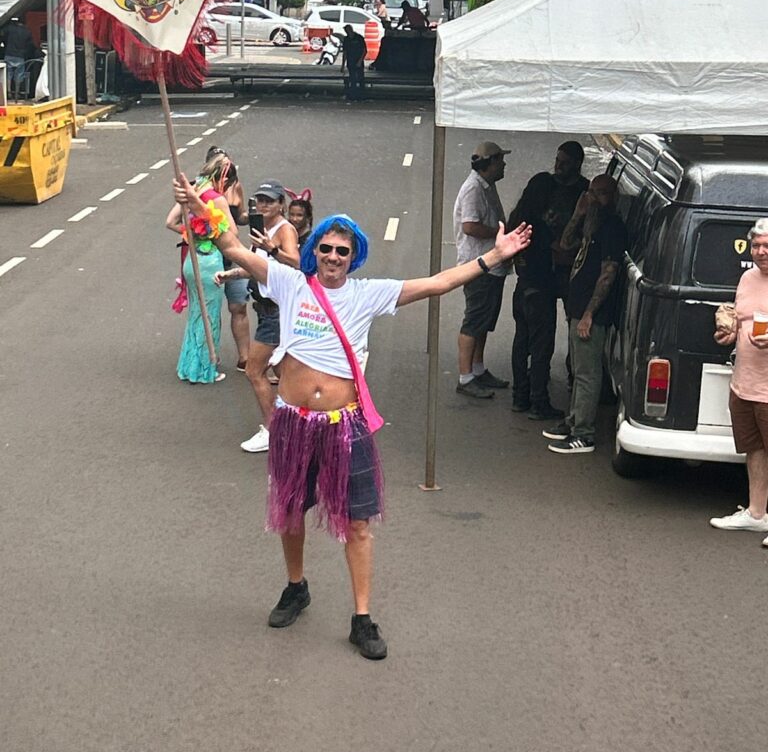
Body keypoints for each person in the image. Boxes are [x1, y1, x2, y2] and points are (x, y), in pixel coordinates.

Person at [173, 172, 532, 659]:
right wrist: (200, 202)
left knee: (358, 524)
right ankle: (296, 587)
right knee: (291, 513)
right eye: (326, 249)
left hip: (346, 426)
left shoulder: (367, 295)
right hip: (294, 423)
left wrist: (494, 256)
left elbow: (439, 283)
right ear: (314, 251)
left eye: (343, 251)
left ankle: (362, 618)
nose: (334, 257)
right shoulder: (289, 282)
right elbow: (233, 246)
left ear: (354, 256)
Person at [543, 175, 626, 454]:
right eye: (592, 193)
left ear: (613, 197)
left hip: (592, 312)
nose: (595, 199)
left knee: (588, 373)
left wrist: (590, 312)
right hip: (577, 306)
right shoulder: (591, 224)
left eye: (601, 194)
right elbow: (566, 243)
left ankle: (584, 433)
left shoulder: (612, 228)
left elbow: (608, 274)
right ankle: (574, 419)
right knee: (578, 369)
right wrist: (579, 213)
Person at [508, 141, 590, 420]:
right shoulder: (565, 190)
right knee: (540, 343)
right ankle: (537, 400)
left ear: (577, 163)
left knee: (525, 338)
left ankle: (521, 396)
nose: (559, 166)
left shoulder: (556, 191)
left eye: (564, 162)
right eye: (558, 160)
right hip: (543, 276)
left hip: (533, 276)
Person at [217, 180, 300, 453]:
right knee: (284, 372)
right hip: (267, 311)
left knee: (254, 370)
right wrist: (231, 274)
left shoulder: (284, 230)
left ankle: (273, 430)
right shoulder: (260, 230)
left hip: (276, 311)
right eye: (260, 200)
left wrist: (273, 248)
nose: (263, 205)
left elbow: (296, 263)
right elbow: (260, 268)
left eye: (270, 201)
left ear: (281, 205)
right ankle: (300, 426)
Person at [710, 218, 768, 543]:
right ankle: (757, 514)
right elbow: (741, 319)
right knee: (755, 449)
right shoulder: (747, 278)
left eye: (766, 246)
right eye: (756, 245)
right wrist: (728, 332)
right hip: (745, 382)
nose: (760, 252)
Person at [166, 152, 237, 384]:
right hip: (210, 262)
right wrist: (211, 234)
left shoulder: (195, 190)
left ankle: (188, 366)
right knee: (210, 317)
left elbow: (171, 222)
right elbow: (232, 235)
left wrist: (194, 234)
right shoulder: (217, 199)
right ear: (224, 180)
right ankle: (204, 369)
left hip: (192, 259)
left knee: (196, 314)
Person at [453, 141, 512, 399]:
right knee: (474, 319)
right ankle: (466, 377)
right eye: (500, 160)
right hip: (479, 264)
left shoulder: (487, 186)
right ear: (489, 163)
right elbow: (470, 226)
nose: (504, 164)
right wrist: (500, 235)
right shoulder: (473, 189)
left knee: (485, 320)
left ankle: (478, 368)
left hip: (492, 264)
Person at [206, 146, 250, 372]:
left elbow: (240, 217)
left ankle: (245, 358)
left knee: (238, 306)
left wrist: (253, 215)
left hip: (232, 258)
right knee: (208, 311)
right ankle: (206, 358)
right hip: (210, 258)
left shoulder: (236, 186)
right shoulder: (199, 190)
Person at [2, 16, 36, 99]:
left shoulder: (9, 28)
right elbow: (30, 45)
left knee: (8, 74)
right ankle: (17, 94)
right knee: (19, 75)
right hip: (20, 56)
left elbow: (2, 34)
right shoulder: (27, 32)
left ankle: (8, 92)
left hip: (9, 54)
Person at [340, 24, 367, 101]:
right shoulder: (346, 39)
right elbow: (345, 52)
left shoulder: (359, 38)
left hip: (358, 61)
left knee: (361, 78)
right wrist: (343, 65)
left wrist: (360, 61)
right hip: (350, 61)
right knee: (352, 79)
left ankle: (362, 95)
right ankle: (353, 95)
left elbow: (364, 50)